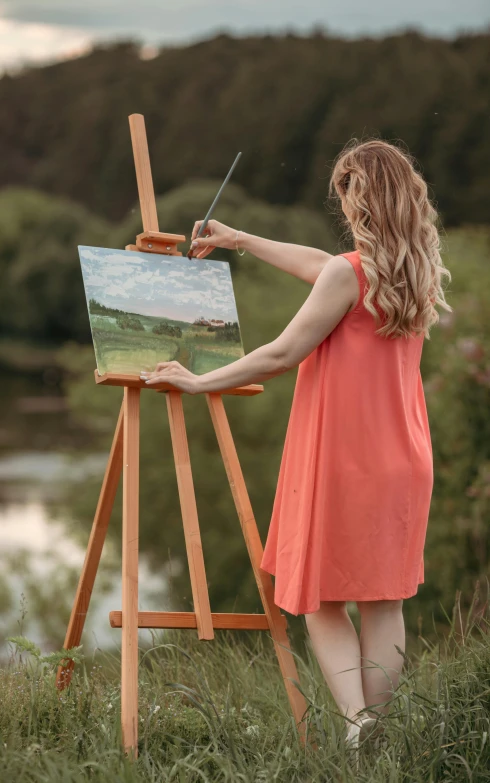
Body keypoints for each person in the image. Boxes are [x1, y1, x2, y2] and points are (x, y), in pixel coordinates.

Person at [137, 138, 452, 747]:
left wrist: (200, 380)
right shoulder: (411, 272)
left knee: (319, 597)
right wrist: (242, 240)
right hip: (404, 458)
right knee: (385, 602)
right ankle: (378, 732)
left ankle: (357, 724)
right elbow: (321, 263)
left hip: (343, 457)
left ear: (359, 197)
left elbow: (282, 353)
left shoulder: (349, 274)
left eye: (344, 191)